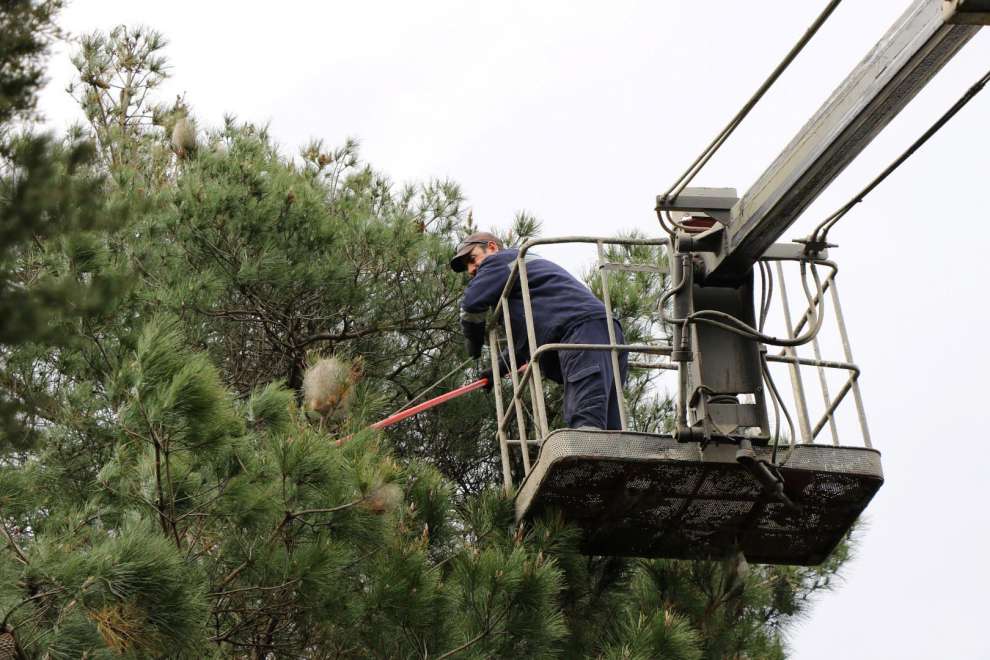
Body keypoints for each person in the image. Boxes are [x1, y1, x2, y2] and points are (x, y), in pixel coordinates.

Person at [450, 231, 628, 430]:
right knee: (610, 426)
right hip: (603, 331)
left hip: (582, 332)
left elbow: (471, 307)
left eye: (472, 259)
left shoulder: (499, 261)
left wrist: (473, 344)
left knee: (586, 421)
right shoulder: (523, 273)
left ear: (492, 247)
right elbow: (530, 340)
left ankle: (586, 458)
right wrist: (498, 369)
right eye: (467, 265)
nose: (471, 269)